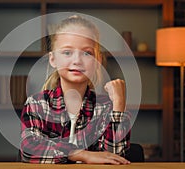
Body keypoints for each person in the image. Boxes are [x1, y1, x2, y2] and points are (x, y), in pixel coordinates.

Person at [20, 15, 131, 164]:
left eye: (87, 53)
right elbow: (29, 150)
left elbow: (114, 158)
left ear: (97, 60)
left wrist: (118, 105)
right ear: (53, 59)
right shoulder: (37, 104)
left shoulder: (106, 107)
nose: (77, 60)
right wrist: (81, 154)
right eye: (67, 52)